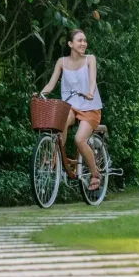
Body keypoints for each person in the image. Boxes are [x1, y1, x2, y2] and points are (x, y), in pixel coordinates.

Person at [39, 29, 103, 190]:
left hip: (90, 107)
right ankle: (54, 160)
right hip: (71, 106)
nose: (83, 43)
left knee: (79, 140)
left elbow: (93, 80)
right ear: (70, 44)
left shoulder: (90, 59)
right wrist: (41, 94)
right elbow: (51, 83)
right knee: (59, 124)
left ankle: (95, 174)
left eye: (85, 41)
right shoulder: (62, 62)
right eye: (80, 41)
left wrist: (90, 92)